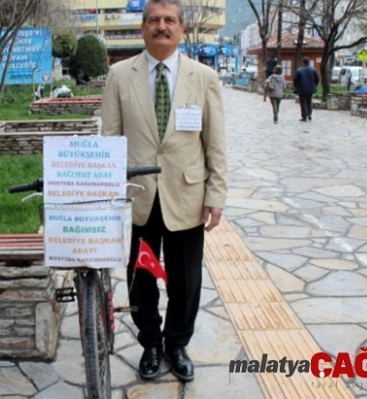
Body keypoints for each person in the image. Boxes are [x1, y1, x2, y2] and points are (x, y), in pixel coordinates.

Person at [101, 0, 227, 383]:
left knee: (186, 279)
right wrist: (107, 189)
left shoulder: (203, 77)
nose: (161, 26)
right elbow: (109, 137)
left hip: (186, 195)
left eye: (169, 20)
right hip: (138, 195)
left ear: (181, 30)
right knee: (142, 276)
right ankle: (151, 344)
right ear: (142, 29)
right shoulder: (119, 75)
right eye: (153, 20)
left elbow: (215, 142)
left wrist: (215, 194)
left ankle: (177, 344)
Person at [293, 57, 320, 121]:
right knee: (309, 102)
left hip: (302, 89)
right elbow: (317, 79)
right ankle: (309, 114)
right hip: (310, 89)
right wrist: (314, 85)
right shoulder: (313, 70)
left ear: (303, 62)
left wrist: (296, 86)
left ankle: (304, 116)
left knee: (303, 103)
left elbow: (295, 80)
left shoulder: (299, 70)